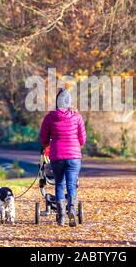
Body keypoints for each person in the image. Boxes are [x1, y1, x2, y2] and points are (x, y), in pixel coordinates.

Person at [39, 88, 86, 227]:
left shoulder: (49, 117)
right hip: (74, 157)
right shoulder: (77, 117)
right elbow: (82, 139)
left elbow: (43, 139)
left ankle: (61, 217)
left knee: (59, 184)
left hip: (57, 156)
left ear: (57, 102)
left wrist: (48, 143)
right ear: (69, 102)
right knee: (71, 185)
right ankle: (71, 210)